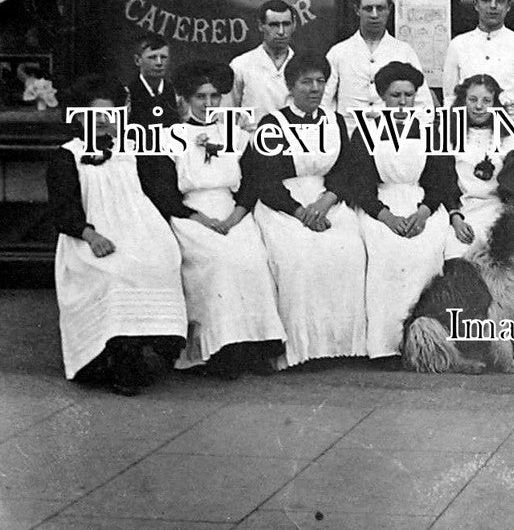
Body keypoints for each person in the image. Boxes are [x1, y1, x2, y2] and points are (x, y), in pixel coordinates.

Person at [139, 61, 285, 376]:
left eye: (215, 97)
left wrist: (237, 215)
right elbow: (163, 191)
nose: (209, 104)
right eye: (200, 98)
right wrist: (198, 218)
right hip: (191, 215)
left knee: (252, 258)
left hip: (231, 210)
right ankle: (219, 349)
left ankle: (253, 346)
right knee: (218, 261)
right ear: (186, 100)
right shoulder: (171, 136)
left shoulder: (235, 132)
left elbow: (251, 181)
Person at [49, 75, 186, 395]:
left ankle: (143, 347)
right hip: (88, 237)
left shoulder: (132, 150)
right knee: (115, 272)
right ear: (80, 117)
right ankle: (115, 354)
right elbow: (63, 210)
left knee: (160, 262)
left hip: (137, 230)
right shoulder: (67, 155)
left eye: (110, 115)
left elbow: (157, 192)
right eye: (95, 115)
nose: (103, 122)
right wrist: (91, 236)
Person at [243, 53, 367, 367]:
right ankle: (301, 349)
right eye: (306, 82)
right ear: (290, 85)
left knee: (350, 250)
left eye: (320, 81)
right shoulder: (273, 124)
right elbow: (265, 179)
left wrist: (326, 201)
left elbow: (345, 170)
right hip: (284, 204)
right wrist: (300, 212)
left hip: (327, 200)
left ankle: (339, 345)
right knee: (297, 256)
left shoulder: (335, 121)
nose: (314, 88)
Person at [342, 61, 453, 363]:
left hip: (422, 204)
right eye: (395, 95)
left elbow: (441, 180)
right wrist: (386, 217)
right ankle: (387, 343)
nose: (402, 103)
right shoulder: (367, 131)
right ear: (382, 97)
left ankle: (427, 342)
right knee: (386, 251)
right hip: (381, 205)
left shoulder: (430, 130)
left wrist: (424, 213)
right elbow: (360, 185)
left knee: (427, 251)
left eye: (408, 95)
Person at [442, 73, 514, 260]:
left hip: (497, 210)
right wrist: (455, 218)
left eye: (487, 100)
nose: (479, 106)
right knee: (453, 250)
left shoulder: (510, 138)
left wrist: (505, 221)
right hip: (460, 211)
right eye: (473, 100)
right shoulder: (448, 135)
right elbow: (444, 183)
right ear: (463, 101)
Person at [324, 0, 434, 116]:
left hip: (390, 131)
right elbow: (324, 101)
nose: (374, 15)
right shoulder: (339, 52)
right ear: (357, 10)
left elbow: (423, 102)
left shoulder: (404, 51)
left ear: (389, 9)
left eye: (380, 8)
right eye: (368, 8)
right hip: (349, 131)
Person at [228, 0, 297, 122]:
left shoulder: (302, 65)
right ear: (261, 26)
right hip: (251, 137)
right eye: (274, 25)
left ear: (294, 25)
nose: (281, 32)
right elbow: (228, 113)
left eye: (286, 24)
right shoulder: (241, 65)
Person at [127, 33, 178, 128]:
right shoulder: (127, 94)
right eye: (152, 57)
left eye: (163, 57)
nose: (159, 63)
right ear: (137, 60)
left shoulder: (176, 94)